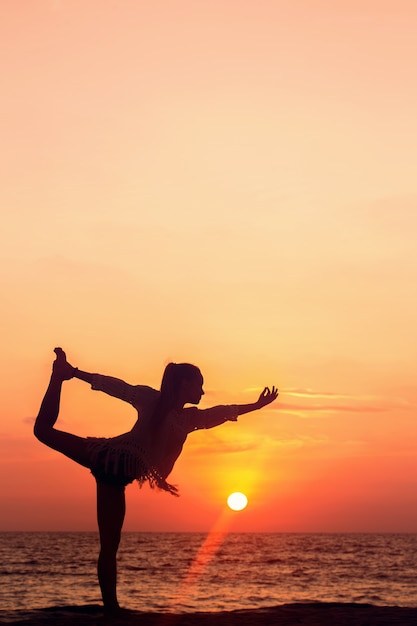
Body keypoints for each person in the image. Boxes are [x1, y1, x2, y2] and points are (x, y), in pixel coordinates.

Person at [34, 348, 279, 614]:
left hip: (115, 477)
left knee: (109, 546)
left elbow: (221, 412)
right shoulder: (151, 399)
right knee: (43, 431)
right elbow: (117, 387)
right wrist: (74, 373)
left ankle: (111, 609)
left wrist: (256, 406)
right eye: (200, 385)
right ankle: (59, 375)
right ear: (184, 384)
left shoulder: (189, 419)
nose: (203, 392)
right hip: (107, 457)